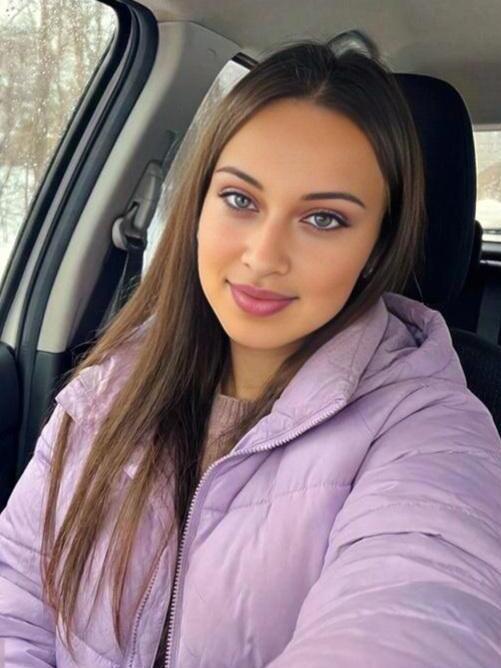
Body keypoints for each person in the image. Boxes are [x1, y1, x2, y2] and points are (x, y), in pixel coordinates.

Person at [1, 31, 501, 668]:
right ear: (198, 207)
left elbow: (421, 616)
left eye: (324, 218)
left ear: (376, 248)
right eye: (239, 199)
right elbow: (16, 598)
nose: (263, 257)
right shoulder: (105, 391)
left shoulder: (433, 430)